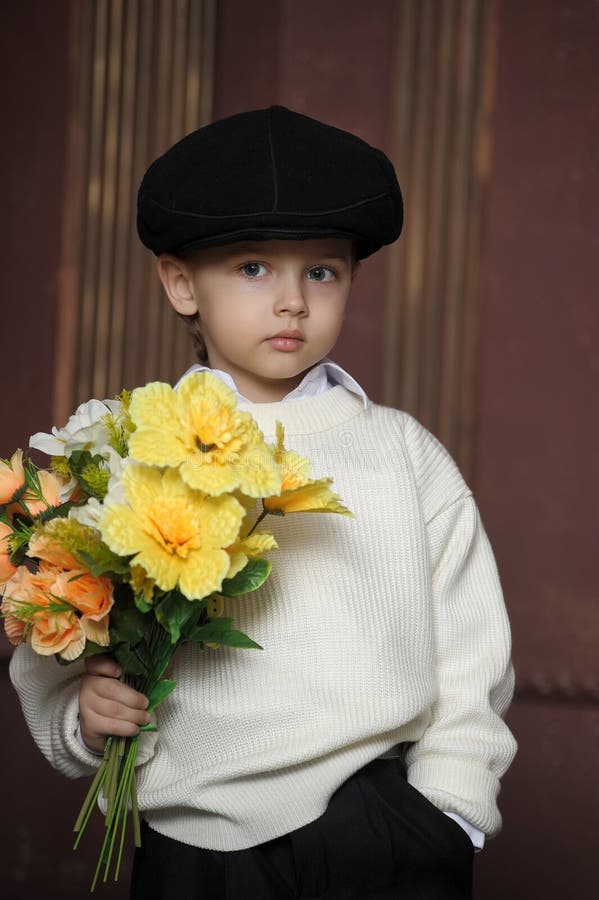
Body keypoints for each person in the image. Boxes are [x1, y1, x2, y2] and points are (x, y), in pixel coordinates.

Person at [10, 106, 517, 899]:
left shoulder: (400, 452)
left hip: (377, 829)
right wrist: (79, 711)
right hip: (189, 840)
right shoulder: (123, 447)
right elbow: (56, 616)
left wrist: (449, 810)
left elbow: (470, 648)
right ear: (181, 283)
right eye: (252, 268)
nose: (292, 301)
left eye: (322, 270)